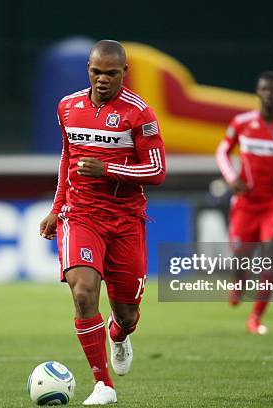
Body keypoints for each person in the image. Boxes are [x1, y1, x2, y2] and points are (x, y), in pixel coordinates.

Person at [39, 40, 166, 405]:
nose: (103, 79)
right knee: (82, 292)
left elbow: (156, 171)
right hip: (80, 214)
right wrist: (56, 207)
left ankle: (119, 334)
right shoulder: (68, 106)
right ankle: (103, 385)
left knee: (127, 312)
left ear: (124, 73)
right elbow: (67, 158)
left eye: (111, 73)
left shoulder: (139, 113)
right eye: (97, 72)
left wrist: (108, 168)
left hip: (125, 220)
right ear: (88, 71)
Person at [216, 71, 273, 334]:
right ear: (257, 92)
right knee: (240, 255)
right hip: (245, 201)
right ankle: (238, 281)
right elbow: (222, 151)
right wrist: (231, 178)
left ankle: (256, 316)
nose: (268, 94)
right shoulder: (241, 122)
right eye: (263, 89)